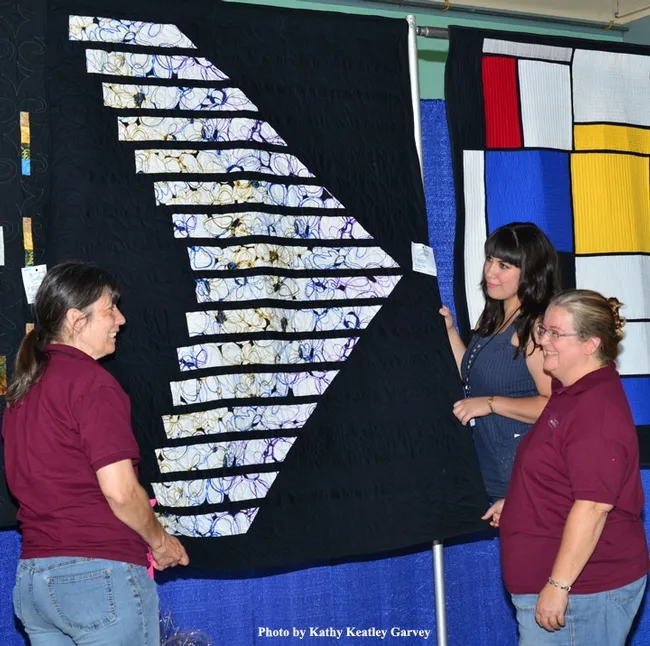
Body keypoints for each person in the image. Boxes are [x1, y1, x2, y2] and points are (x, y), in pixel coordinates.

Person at [3, 262, 189, 645]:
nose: (120, 319)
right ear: (76, 319)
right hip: (97, 577)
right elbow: (120, 492)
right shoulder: (92, 384)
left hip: (35, 580)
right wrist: (160, 542)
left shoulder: (22, 392)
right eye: (110, 309)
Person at [487, 289, 648, 645]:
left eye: (555, 333)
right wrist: (522, 504)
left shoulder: (596, 412)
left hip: (584, 594)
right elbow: (562, 476)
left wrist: (559, 586)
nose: (542, 340)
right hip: (569, 591)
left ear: (590, 344)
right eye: (543, 329)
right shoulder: (569, 393)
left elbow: (592, 507)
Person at [440, 222, 560, 500]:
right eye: (490, 260)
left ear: (530, 272)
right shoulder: (493, 315)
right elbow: (471, 374)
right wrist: (449, 331)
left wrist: (490, 404)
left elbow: (555, 405)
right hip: (495, 466)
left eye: (504, 266)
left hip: (531, 473)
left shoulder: (537, 327)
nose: (490, 271)